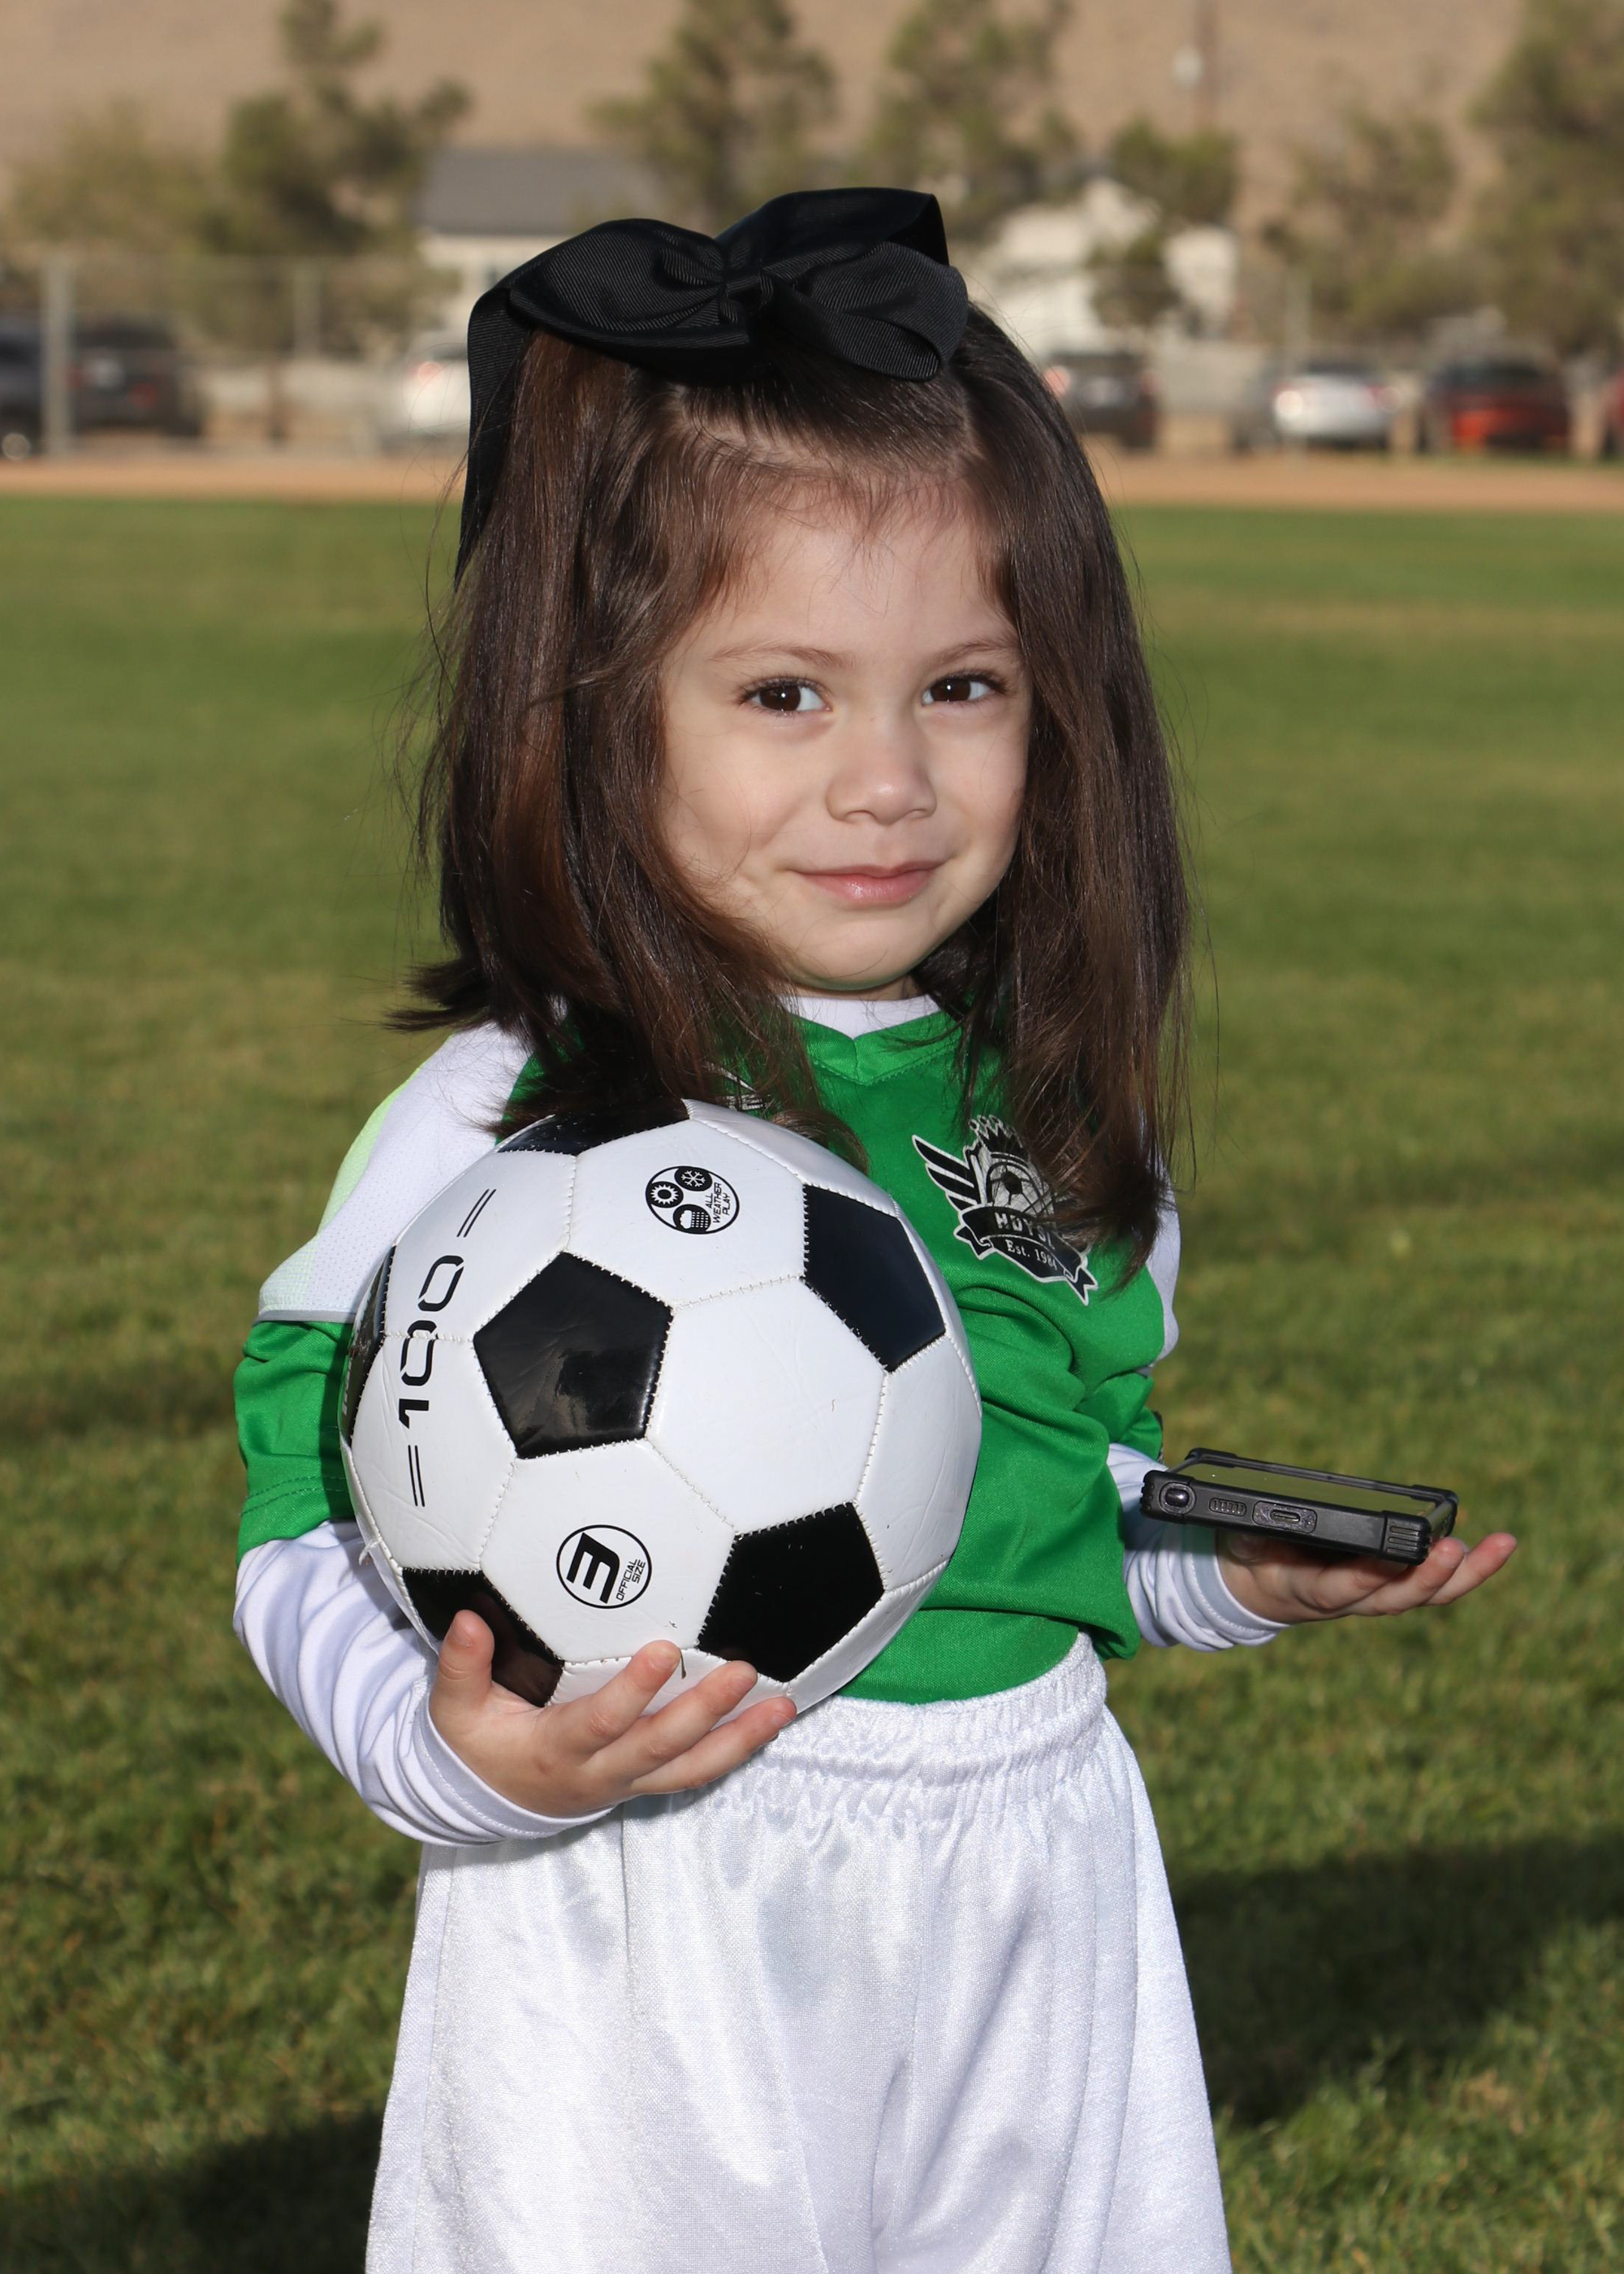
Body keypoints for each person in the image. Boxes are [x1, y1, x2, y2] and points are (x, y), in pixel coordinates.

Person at [233, 189, 1515, 2273]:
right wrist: (458, 1754)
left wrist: (1223, 1568)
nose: (890, 778)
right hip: (661, 1880)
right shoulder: (511, 1113)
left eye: (963, 684)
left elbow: (1048, 1501)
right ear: (599, 704)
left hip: (1039, 1873)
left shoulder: (1058, 1117)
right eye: (784, 694)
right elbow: (302, 1500)